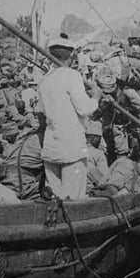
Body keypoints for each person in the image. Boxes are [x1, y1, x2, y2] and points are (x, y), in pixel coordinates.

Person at [37, 36, 101, 200]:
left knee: (54, 200)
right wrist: (95, 97)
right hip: (72, 148)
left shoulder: (44, 80)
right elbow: (84, 108)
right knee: (73, 202)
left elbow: (42, 113)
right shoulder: (72, 75)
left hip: (51, 147)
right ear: (72, 55)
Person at [84, 120, 110, 193]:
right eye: (99, 138)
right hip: (90, 192)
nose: (100, 141)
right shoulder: (98, 154)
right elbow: (103, 180)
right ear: (94, 137)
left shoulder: (75, 150)